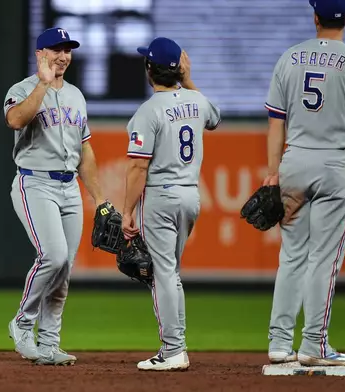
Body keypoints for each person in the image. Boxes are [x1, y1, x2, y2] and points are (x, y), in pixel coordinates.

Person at [264, 0, 345, 367]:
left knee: (291, 255)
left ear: (315, 17)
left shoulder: (290, 58)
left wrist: (274, 172)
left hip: (294, 160)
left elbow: (276, 123)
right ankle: (314, 345)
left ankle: (278, 342)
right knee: (324, 257)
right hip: (337, 163)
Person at [3, 27, 109, 366]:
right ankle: (22, 322)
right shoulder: (21, 89)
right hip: (34, 184)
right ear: (39, 54)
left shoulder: (77, 95)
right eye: (55, 49)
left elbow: (85, 150)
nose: (62, 55)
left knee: (64, 270)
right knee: (54, 255)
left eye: (67, 49)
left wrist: (99, 198)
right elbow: (15, 119)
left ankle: (49, 342)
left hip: (69, 187)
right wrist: (44, 84)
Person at [121, 37, 221, 371]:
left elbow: (137, 167)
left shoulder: (147, 112)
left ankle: (172, 349)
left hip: (161, 197)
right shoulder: (197, 100)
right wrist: (188, 80)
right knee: (171, 272)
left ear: (149, 69)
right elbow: (215, 117)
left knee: (162, 274)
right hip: (191, 197)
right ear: (178, 68)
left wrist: (127, 210)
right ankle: (176, 345)